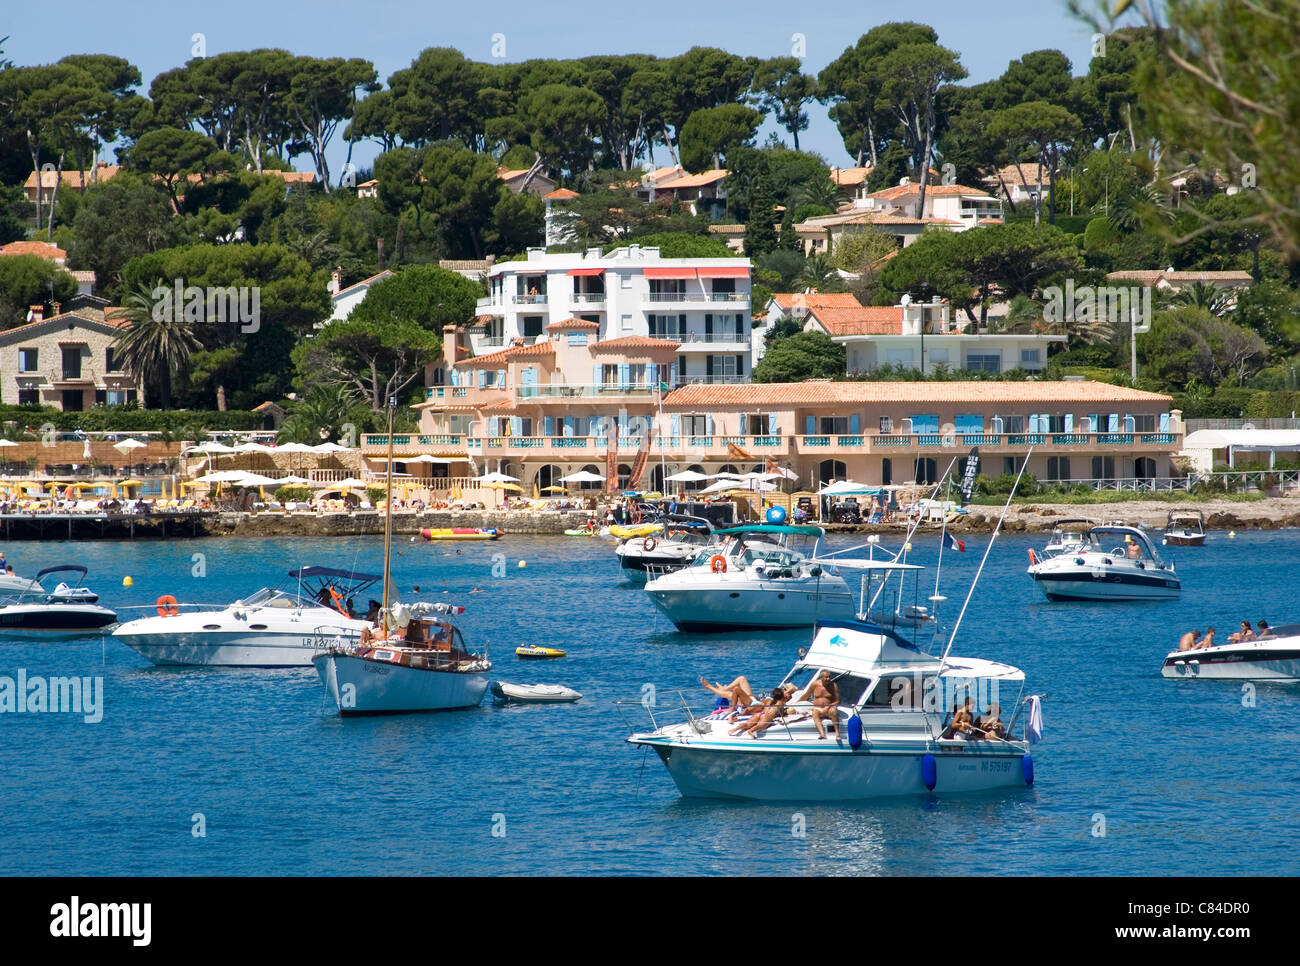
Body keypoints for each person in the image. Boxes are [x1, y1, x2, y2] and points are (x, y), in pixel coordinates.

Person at [801, 669, 841, 741]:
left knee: (834, 711)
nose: (828, 679)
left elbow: (838, 701)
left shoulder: (833, 685)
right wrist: (796, 704)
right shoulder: (814, 684)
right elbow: (806, 695)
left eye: (829, 677)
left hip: (829, 709)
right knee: (814, 712)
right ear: (821, 677)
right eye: (826, 677)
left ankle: (837, 734)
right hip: (818, 709)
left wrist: (828, 706)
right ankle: (822, 734)